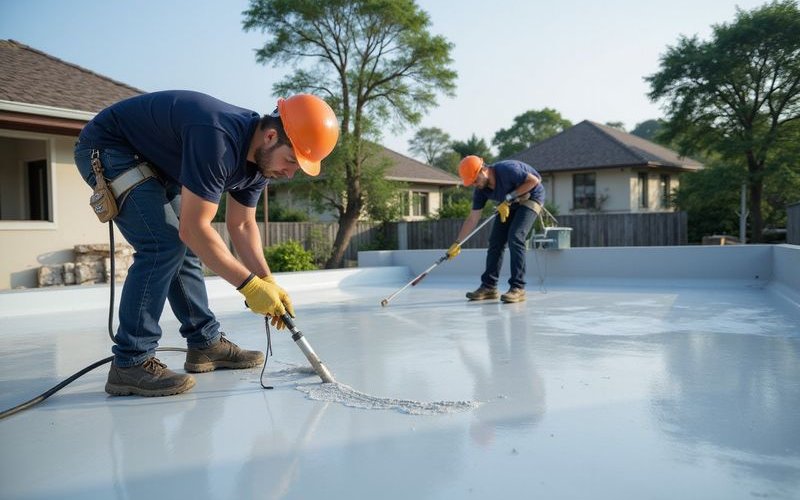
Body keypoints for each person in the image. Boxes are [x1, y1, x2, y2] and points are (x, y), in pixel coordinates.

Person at [74, 90, 339, 397]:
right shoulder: (218, 139)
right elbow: (194, 229)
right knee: (163, 244)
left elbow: (241, 224)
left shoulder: (261, 163)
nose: (290, 174)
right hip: (110, 147)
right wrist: (250, 287)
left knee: (181, 245)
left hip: (154, 160)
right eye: (291, 160)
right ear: (270, 137)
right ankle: (130, 362)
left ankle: (205, 343)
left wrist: (267, 281)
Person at [446, 155, 544, 303]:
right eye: (471, 182)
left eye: (475, 180)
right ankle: (489, 287)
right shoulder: (481, 190)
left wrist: (509, 198)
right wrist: (457, 243)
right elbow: (473, 218)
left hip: (531, 197)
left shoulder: (507, 169)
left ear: (483, 170)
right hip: (509, 203)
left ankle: (518, 288)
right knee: (495, 241)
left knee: (515, 236)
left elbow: (534, 180)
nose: (474, 184)